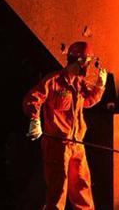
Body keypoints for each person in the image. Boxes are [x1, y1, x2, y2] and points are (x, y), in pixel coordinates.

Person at [23, 41, 107, 210]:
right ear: (78, 60)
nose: (89, 66)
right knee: (57, 189)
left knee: (82, 187)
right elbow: (32, 99)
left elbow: (88, 101)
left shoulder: (79, 83)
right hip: (57, 145)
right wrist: (35, 120)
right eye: (87, 62)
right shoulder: (53, 81)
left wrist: (99, 87)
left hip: (77, 144)